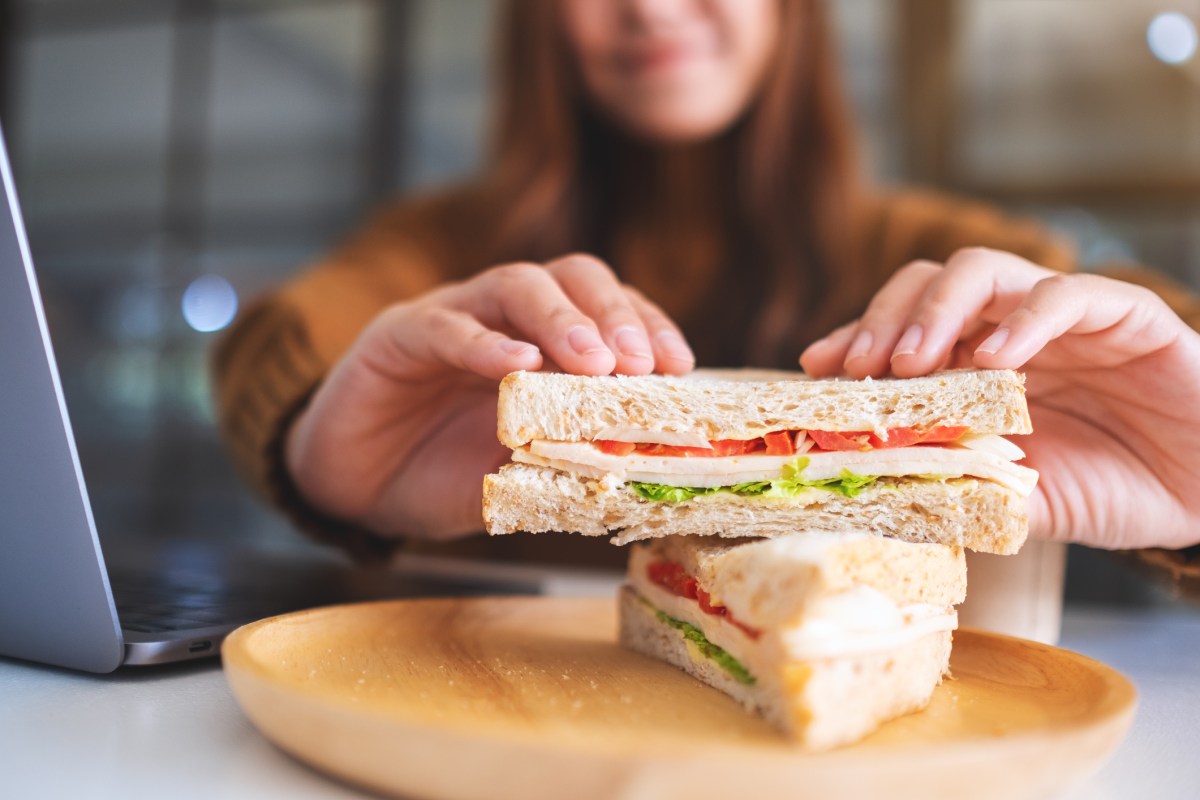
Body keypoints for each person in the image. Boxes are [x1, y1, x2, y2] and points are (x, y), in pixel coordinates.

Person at [213, 0, 1200, 584]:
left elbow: (1150, 333)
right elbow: (289, 338)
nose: (649, 7)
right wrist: (317, 447)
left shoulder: (935, 250)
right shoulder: (447, 245)